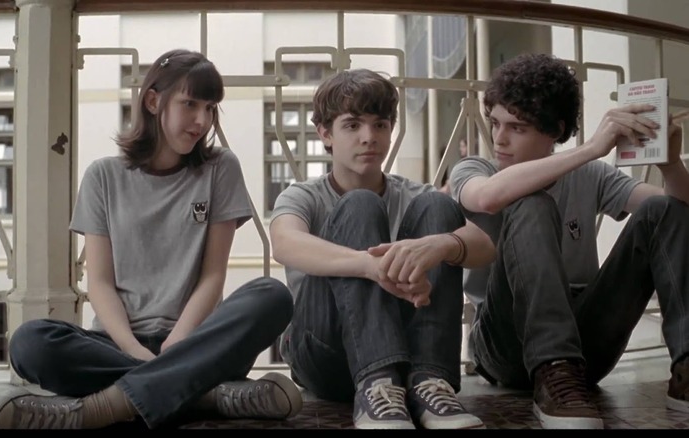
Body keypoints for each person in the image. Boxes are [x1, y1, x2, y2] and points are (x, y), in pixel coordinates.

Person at [0, 49, 302, 430]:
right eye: (190, 104)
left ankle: (103, 407)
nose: (202, 120)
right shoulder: (103, 176)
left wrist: (177, 345)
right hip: (117, 345)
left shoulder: (220, 168)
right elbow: (99, 282)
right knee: (29, 342)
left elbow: (213, 276)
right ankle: (205, 395)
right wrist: (136, 352)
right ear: (153, 101)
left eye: (211, 108)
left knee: (272, 296)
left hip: (197, 341)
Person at [449, 53, 689, 429]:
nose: (499, 138)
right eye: (495, 123)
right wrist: (593, 147)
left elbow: (673, 213)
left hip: (585, 347)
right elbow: (488, 198)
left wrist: (670, 163)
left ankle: (685, 371)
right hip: (504, 343)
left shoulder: (589, 175)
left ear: (554, 131)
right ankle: (552, 365)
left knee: (663, 212)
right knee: (530, 202)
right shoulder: (476, 169)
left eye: (518, 127)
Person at [270, 68, 496, 429]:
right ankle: (376, 380)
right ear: (325, 134)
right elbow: (284, 242)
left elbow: (484, 247)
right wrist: (369, 266)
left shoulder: (413, 194)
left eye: (380, 125)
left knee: (440, 209)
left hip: (404, 352)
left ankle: (428, 382)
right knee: (360, 204)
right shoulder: (304, 195)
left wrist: (441, 245)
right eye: (352, 125)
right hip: (325, 354)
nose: (368, 137)